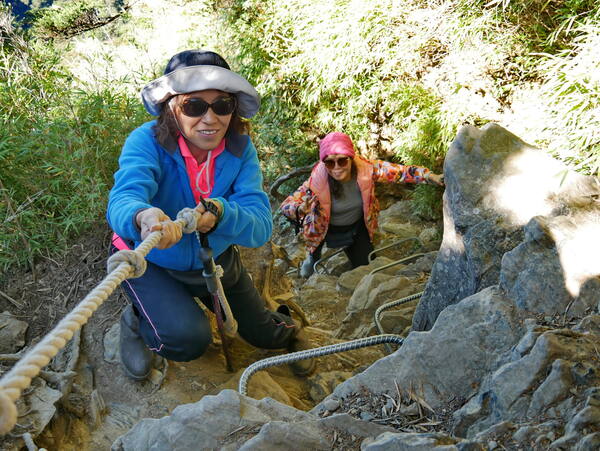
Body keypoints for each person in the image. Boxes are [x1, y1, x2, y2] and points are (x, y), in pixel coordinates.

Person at [107, 50, 314, 381]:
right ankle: (138, 321)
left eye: (222, 105)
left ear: (233, 109)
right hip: (152, 262)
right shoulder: (146, 142)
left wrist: (220, 214)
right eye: (194, 106)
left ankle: (289, 330)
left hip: (213, 259)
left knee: (264, 334)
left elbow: (260, 225)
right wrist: (143, 216)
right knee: (188, 340)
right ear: (171, 108)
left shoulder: (239, 149)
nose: (210, 118)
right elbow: (124, 196)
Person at [280, 132, 444, 278]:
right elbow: (287, 205)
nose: (336, 168)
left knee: (366, 268)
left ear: (351, 158)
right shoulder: (316, 182)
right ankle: (311, 258)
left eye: (342, 161)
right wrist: (299, 209)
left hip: (355, 227)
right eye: (330, 163)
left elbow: (401, 172)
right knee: (309, 267)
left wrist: (430, 176)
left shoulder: (367, 169)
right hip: (322, 228)